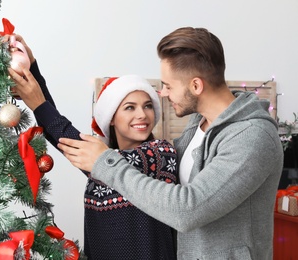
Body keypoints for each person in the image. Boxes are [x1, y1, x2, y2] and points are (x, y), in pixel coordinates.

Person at [57, 27, 284, 260]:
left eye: (168, 85)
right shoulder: (198, 123)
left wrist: (107, 164)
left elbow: (188, 210)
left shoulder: (252, 137)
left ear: (196, 86)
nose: (162, 94)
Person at [6, 35, 178, 259]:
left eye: (147, 106)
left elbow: (64, 132)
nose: (142, 115)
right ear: (111, 118)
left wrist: (38, 102)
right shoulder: (101, 158)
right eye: (129, 107)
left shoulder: (162, 154)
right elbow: (59, 134)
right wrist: (32, 67)